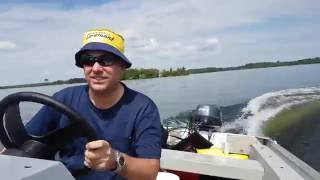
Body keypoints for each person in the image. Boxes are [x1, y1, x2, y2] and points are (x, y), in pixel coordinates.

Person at [25, 28, 162, 180]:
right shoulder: (63, 99)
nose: (96, 68)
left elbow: (150, 173)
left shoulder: (143, 108)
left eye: (107, 60)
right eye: (88, 60)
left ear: (122, 66)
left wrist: (115, 160)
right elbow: (24, 143)